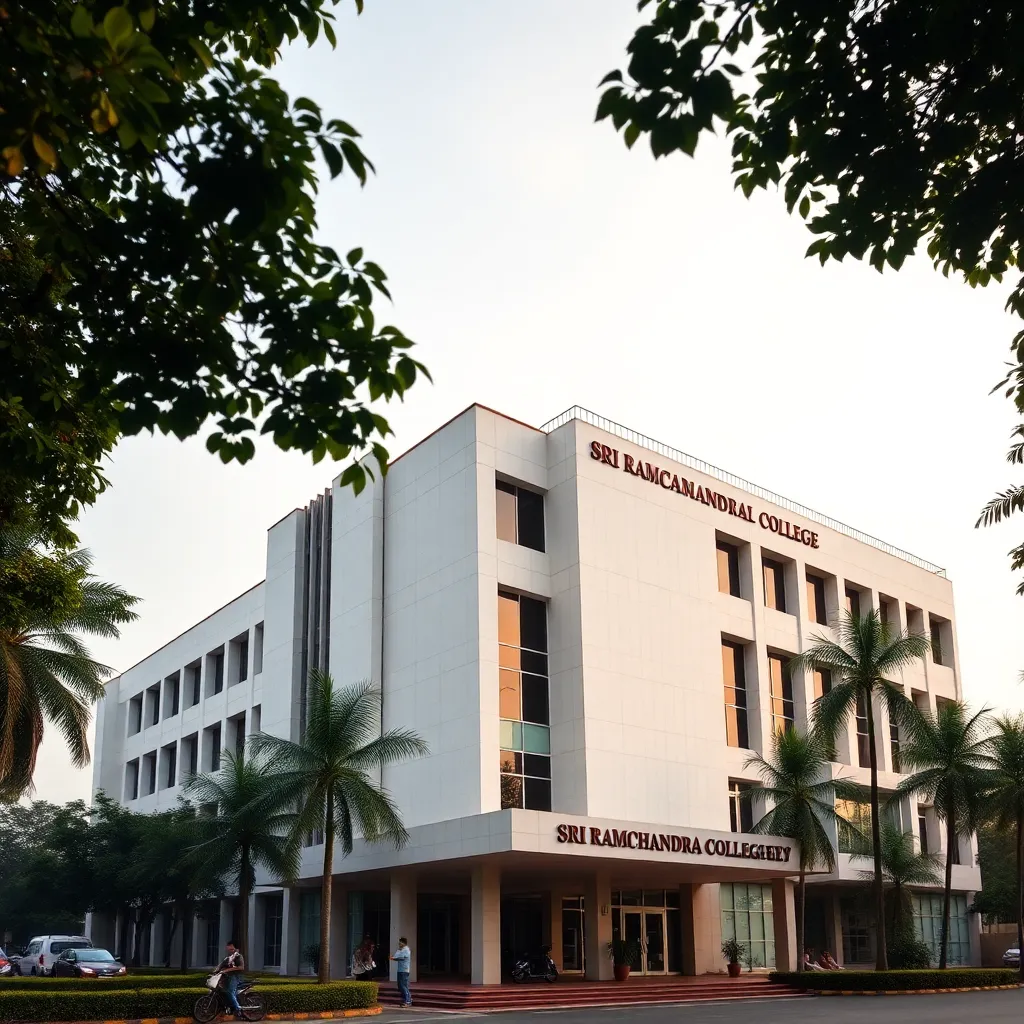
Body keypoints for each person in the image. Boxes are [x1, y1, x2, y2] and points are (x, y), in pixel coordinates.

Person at [216, 940, 246, 1020]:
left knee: (229, 992)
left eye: (232, 949)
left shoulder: (239, 957)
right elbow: (220, 966)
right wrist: (215, 972)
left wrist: (227, 970)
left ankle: (238, 1010)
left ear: (237, 949)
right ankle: (230, 1008)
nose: (230, 951)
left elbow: (241, 967)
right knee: (222, 991)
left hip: (235, 977)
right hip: (226, 978)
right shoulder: (228, 958)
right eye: (229, 949)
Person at [390, 937, 412, 1007]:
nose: (399, 944)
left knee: (403, 986)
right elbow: (396, 957)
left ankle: (407, 1001)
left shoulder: (406, 949)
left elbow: (402, 958)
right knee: (400, 986)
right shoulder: (400, 950)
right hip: (400, 970)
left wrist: (393, 958)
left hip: (404, 970)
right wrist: (393, 958)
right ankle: (406, 999)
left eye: (400, 942)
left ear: (404, 943)